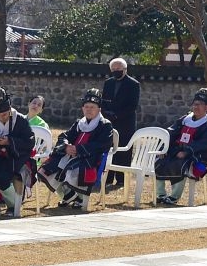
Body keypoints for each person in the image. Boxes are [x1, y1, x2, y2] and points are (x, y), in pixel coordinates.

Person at [37, 88, 114, 209]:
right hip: (71, 155)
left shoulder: (105, 125)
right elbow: (65, 136)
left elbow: (102, 144)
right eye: (86, 107)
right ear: (83, 108)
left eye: (92, 107)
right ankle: (68, 195)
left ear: (99, 109)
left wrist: (79, 149)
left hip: (89, 158)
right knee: (46, 169)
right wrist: (66, 147)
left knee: (72, 171)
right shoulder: (79, 123)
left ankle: (80, 198)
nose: (89, 109)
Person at [0, 88, 35, 215]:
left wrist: (9, 141)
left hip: (16, 156)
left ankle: (13, 205)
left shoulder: (20, 120)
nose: (1, 118)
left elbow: (29, 142)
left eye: (3, 115)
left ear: (9, 109)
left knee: (2, 178)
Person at [154, 88, 207, 205]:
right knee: (159, 160)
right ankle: (160, 194)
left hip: (196, 157)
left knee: (181, 163)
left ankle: (174, 197)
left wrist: (187, 152)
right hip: (177, 151)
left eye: (200, 104)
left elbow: (204, 143)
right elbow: (171, 132)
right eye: (195, 104)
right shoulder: (185, 119)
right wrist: (164, 147)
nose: (196, 107)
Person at [102, 58, 140, 187]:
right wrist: (107, 113)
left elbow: (132, 106)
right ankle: (108, 177)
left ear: (125, 69)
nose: (116, 71)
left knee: (123, 150)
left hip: (125, 122)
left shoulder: (133, 84)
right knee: (110, 148)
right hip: (109, 121)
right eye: (113, 70)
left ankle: (121, 179)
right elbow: (104, 101)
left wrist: (117, 115)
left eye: (118, 69)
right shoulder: (108, 83)